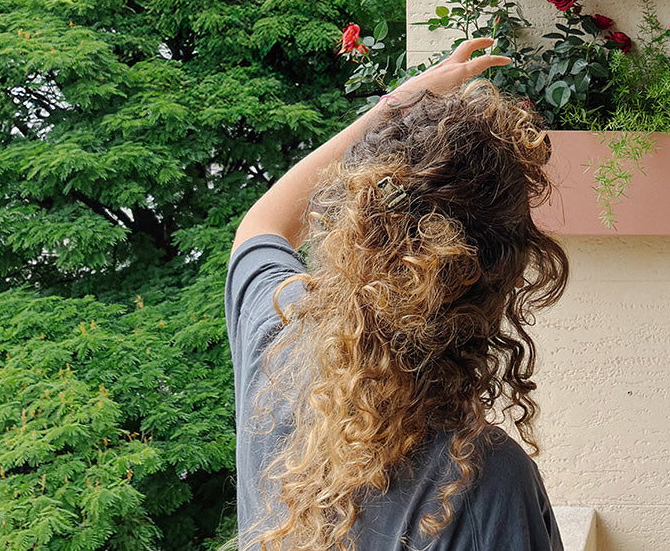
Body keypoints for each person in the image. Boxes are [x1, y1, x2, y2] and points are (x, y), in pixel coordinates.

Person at [226, 38, 570, 550]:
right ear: (508, 277)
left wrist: (395, 106)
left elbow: (262, 223)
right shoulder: (482, 482)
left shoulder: (279, 342)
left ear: (354, 229)